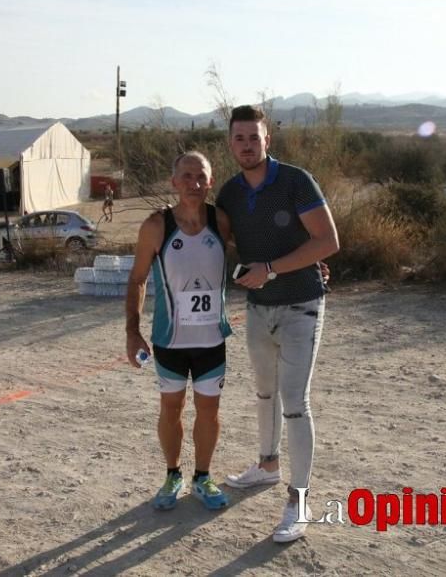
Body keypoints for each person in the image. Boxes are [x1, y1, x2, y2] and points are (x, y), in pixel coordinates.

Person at [215, 105, 340, 543]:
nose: (247, 145)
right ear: (230, 143)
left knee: (295, 402)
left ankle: (299, 500)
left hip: (301, 305)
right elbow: (215, 242)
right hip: (257, 308)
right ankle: (267, 466)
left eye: (254, 137)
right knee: (264, 393)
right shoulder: (229, 193)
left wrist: (272, 267)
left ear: (268, 140)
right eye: (239, 138)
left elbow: (328, 241)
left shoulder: (295, 181)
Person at [126, 151, 232, 512]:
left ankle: (203, 477)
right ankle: (173, 474)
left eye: (201, 176)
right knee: (171, 408)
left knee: (209, 411)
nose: (194, 183)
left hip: (211, 341)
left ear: (211, 181)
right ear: (174, 182)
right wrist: (132, 331)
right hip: (169, 341)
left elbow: (258, 250)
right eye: (187, 176)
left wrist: (312, 266)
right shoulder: (157, 226)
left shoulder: (221, 221)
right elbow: (137, 278)